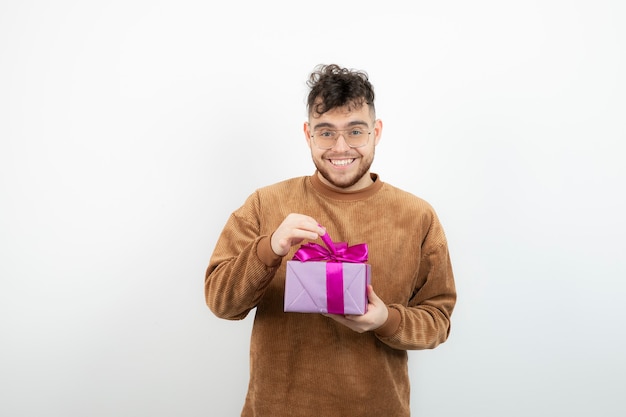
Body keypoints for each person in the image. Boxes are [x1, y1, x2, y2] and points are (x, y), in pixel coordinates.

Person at [205, 64, 456, 417]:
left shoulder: (418, 216)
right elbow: (221, 303)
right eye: (326, 133)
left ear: (377, 131)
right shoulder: (265, 204)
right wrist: (270, 248)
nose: (341, 147)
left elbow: (438, 320)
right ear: (308, 133)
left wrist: (386, 320)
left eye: (355, 131)